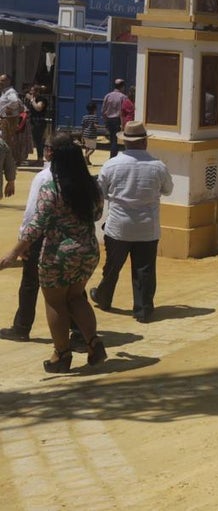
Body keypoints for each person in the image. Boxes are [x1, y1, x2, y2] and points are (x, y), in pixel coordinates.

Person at [0, 134, 106, 373]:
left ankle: (62, 353)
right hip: (87, 250)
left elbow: (36, 225)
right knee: (76, 297)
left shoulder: (52, 187)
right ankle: (93, 342)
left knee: (55, 301)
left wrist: (14, 253)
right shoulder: (92, 185)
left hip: (58, 255)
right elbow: (98, 214)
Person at [91, 121, 174, 323]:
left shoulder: (112, 165)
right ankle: (143, 309)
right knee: (144, 269)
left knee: (112, 266)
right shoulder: (157, 166)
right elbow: (168, 190)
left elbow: (100, 191)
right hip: (147, 227)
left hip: (119, 225)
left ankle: (104, 297)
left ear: (124, 142)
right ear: (145, 141)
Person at [0, 137, 51, 342]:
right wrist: (11, 179)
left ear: (49, 152)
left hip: (39, 239)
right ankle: (81, 334)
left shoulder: (43, 178)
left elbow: (32, 214)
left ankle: (21, 327)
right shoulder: (82, 176)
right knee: (70, 290)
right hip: (71, 242)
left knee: (30, 283)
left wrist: (23, 241)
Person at [101, 78, 129, 157]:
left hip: (109, 120)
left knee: (112, 138)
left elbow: (103, 110)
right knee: (115, 140)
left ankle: (112, 155)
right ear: (122, 86)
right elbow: (124, 112)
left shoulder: (108, 96)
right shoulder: (123, 97)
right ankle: (113, 157)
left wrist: (106, 121)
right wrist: (123, 124)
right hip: (117, 120)